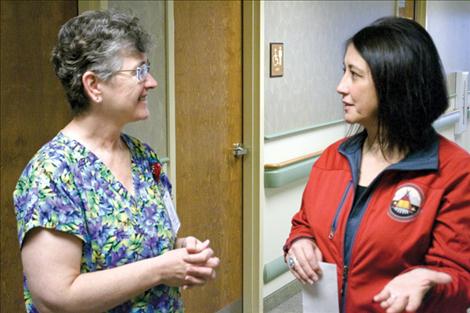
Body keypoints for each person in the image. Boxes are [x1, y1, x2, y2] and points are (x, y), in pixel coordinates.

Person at [13, 10, 219, 313]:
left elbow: (154, 244)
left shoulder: (145, 158)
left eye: (147, 68)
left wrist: (183, 254)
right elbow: (57, 298)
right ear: (94, 85)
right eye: (138, 71)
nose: (152, 82)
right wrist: (161, 269)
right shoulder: (52, 174)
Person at [284, 16, 470, 313]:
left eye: (355, 75)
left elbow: (461, 279)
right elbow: (304, 222)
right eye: (343, 71)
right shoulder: (334, 158)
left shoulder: (454, 172)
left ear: (394, 84)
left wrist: (429, 280)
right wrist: (299, 242)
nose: (340, 86)